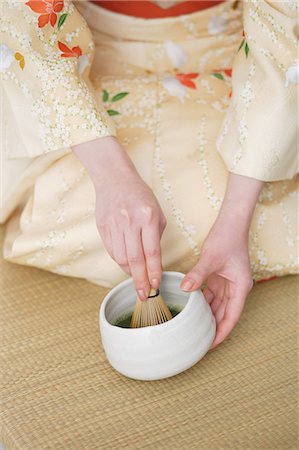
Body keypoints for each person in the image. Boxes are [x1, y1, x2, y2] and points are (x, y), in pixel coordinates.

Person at [0, 0, 298, 348]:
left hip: (232, 54)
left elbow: (284, 38)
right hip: (77, 59)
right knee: (57, 202)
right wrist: (112, 179)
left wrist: (234, 220)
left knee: (237, 203)